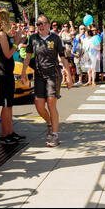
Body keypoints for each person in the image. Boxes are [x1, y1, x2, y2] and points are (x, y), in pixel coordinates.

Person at [21, 15, 73, 147]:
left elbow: (63, 58)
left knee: (51, 104)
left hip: (53, 74)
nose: (40, 26)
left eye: (43, 23)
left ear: (48, 25)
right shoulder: (33, 38)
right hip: (39, 74)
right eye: (38, 24)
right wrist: (23, 72)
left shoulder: (56, 38)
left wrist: (69, 76)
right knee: (39, 105)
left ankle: (55, 136)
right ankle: (49, 122)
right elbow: (27, 57)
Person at [0, 9, 25, 144]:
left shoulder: (3, 34)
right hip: (3, 73)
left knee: (9, 105)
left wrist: (18, 40)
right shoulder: (1, 34)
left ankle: (10, 132)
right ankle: (6, 134)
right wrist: (16, 42)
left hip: (7, 72)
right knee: (5, 105)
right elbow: (8, 54)